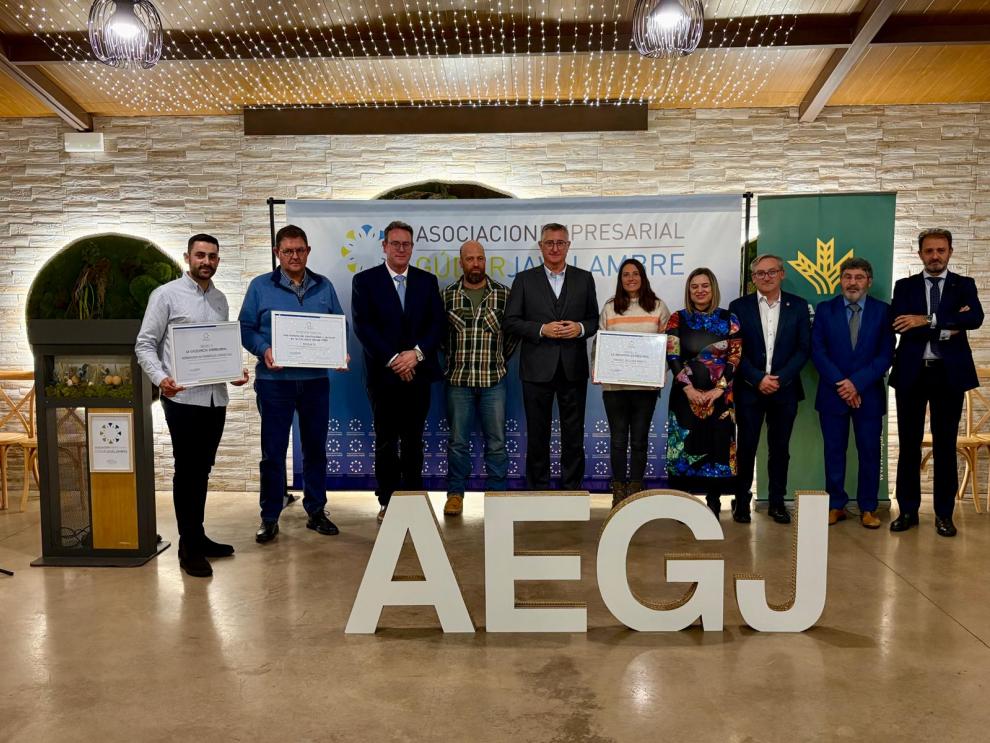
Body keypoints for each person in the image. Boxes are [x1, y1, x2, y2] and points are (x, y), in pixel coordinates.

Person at [135, 233, 249, 577]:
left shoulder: (220, 299)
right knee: (187, 471)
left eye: (212, 256)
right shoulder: (166, 295)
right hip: (182, 399)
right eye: (200, 255)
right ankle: (188, 547)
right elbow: (144, 344)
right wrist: (161, 378)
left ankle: (198, 536)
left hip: (215, 399)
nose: (206, 262)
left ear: (218, 260)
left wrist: (234, 372)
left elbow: (218, 349)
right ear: (188, 257)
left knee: (203, 470)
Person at [240, 224, 346, 544]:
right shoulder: (260, 286)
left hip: (315, 382)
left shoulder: (324, 286)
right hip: (274, 382)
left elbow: (338, 324)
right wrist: (264, 349)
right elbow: (245, 328)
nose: (295, 256)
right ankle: (270, 516)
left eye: (300, 250)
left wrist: (339, 351)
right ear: (277, 253)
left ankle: (316, 510)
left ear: (308, 251)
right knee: (273, 452)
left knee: (315, 449)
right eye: (288, 251)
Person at [890, 227, 984, 537]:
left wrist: (926, 319)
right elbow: (899, 323)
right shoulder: (904, 286)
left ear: (950, 252)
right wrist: (948, 323)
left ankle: (944, 514)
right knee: (909, 444)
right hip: (912, 373)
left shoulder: (964, 285)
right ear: (920, 254)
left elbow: (974, 319)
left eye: (940, 250)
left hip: (948, 374)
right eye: (929, 251)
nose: (935, 256)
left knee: (945, 445)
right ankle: (907, 511)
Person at [352, 220, 445, 524]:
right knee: (386, 441)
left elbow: (437, 325)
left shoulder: (427, 281)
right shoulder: (365, 281)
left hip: (419, 373)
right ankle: (388, 501)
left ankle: (414, 500)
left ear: (412, 247)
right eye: (395, 243)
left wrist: (415, 355)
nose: (401, 249)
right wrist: (395, 359)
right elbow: (364, 327)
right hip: (383, 376)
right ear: (385, 246)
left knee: (414, 439)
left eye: (406, 244)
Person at [504, 222, 599, 490]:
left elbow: (594, 320)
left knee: (573, 435)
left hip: (573, 368)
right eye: (549, 243)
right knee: (537, 434)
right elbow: (510, 321)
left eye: (560, 243)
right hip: (536, 370)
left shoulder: (584, 278)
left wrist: (580, 329)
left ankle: (572, 490)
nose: (555, 248)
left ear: (568, 246)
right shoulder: (524, 280)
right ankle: (538, 491)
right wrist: (540, 329)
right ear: (541, 246)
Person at [811, 258, 895, 529]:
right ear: (840, 280)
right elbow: (818, 352)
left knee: (869, 452)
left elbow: (886, 354)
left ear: (869, 281)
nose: (853, 282)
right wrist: (842, 384)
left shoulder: (883, 312)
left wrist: (856, 384)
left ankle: (868, 508)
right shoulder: (825, 310)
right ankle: (836, 505)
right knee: (834, 452)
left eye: (859, 277)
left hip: (868, 395)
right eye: (847, 277)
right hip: (832, 394)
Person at [728, 254, 811, 525]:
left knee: (780, 449)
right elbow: (734, 349)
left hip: (784, 391)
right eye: (760, 273)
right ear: (753, 278)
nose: (766, 277)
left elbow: (804, 348)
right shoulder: (738, 307)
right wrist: (757, 378)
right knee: (746, 447)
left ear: (782, 274)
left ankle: (777, 502)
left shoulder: (798, 306)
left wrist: (780, 378)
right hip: (749, 389)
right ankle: (741, 501)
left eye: (772, 272)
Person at [441, 240, 518, 516]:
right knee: (458, 442)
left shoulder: (504, 294)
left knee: (496, 442)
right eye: (470, 259)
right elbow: (440, 338)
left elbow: (512, 338)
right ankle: (455, 494)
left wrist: (498, 360)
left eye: (480, 258)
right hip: (458, 381)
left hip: (493, 381)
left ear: (485, 261)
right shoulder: (447, 296)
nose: (476, 264)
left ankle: (497, 495)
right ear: (461, 263)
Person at [594, 258, 670, 507]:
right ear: (620, 280)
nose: (630, 278)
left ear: (642, 277)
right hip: (614, 389)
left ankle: (636, 490)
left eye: (635, 273)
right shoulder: (610, 307)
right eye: (625, 274)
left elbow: (669, 346)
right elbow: (600, 343)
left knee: (639, 441)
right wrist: (597, 368)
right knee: (618, 441)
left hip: (645, 389)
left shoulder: (658, 307)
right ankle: (618, 491)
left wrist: (660, 371)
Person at [664, 268, 741, 517]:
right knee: (685, 449)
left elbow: (735, 357)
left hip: (720, 399)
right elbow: (672, 355)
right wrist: (688, 389)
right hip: (684, 397)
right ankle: (682, 507)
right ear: (689, 290)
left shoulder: (729, 318)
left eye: (705, 285)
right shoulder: (677, 318)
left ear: (713, 288)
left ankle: (714, 503)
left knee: (717, 447)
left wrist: (719, 389)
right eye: (694, 286)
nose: (700, 290)